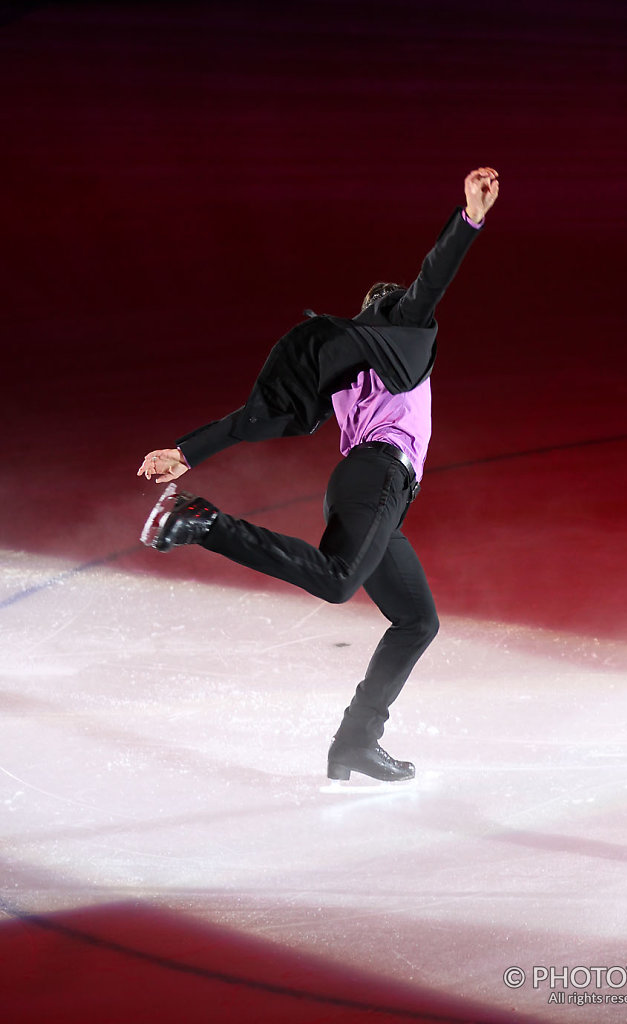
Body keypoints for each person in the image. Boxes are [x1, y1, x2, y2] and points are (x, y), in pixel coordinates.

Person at [137, 167, 499, 782]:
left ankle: (355, 742)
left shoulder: (341, 369)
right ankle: (206, 522)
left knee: (417, 620)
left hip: (366, 488)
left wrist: (186, 449)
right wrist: (470, 219)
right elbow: (430, 279)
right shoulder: (407, 335)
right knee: (336, 584)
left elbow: (256, 416)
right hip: (378, 476)